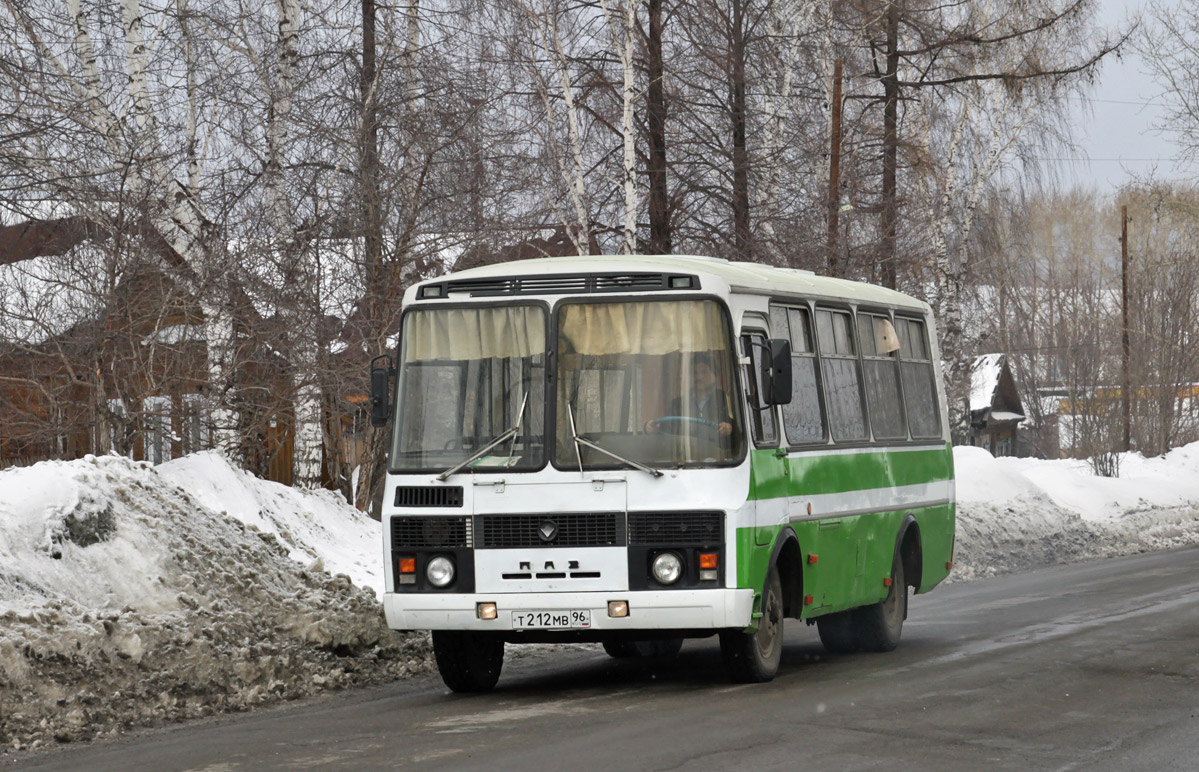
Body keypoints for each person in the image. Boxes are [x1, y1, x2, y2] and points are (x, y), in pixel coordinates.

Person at [645, 353, 733, 437]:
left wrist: (730, 428)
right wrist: (650, 428)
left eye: (704, 372)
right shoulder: (677, 404)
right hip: (684, 451)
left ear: (715, 375)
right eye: (694, 373)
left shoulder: (726, 400)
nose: (698, 377)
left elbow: (741, 431)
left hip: (719, 452)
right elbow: (667, 432)